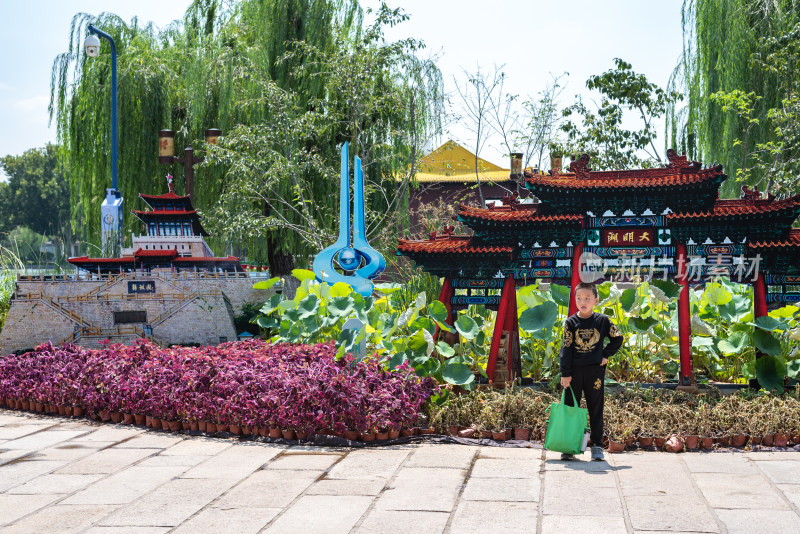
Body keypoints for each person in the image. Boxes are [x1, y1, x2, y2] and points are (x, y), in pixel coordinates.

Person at [559, 281, 623, 461]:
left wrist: (605, 354)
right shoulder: (571, 322)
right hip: (574, 373)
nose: (582, 301)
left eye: (587, 298)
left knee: (596, 408)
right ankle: (570, 446)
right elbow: (566, 348)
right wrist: (565, 373)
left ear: (595, 300)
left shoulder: (602, 321)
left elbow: (618, 338)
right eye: (579, 298)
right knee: (571, 408)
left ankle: (596, 445)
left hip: (595, 372)